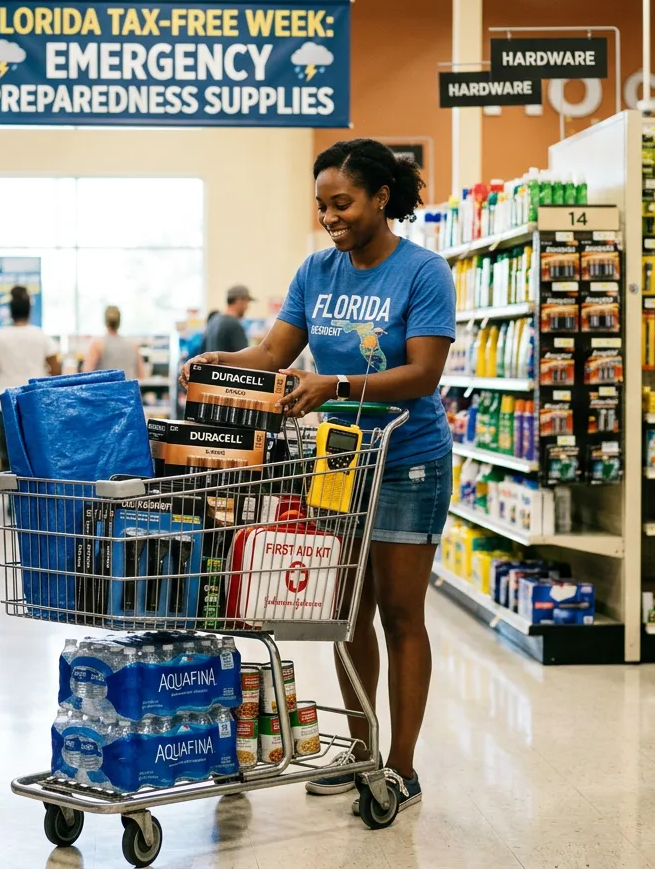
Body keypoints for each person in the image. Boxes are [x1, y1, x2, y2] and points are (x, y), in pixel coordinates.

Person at [181, 138, 454, 815]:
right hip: (336, 463)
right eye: (322, 205)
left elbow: (422, 374)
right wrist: (221, 362)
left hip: (407, 459)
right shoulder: (316, 271)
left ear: (380, 199)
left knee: (399, 614)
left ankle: (401, 767)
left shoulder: (423, 273)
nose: (331, 216)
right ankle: (360, 750)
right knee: (346, 613)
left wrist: (334, 382)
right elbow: (275, 350)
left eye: (344, 203)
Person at [0, 286, 60, 464]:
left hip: (4, 401)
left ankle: (10, 491)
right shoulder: (41, 336)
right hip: (35, 402)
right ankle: (35, 491)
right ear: (29, 310)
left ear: (10, 311)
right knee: (36, 455)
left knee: (10, 457)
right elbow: (56, 371)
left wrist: (1, 377)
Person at [83, 305, 145, 380]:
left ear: (105, 321)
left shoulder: (97, 344)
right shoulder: (133, 345)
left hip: (107, 391)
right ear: (119, 322)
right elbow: (142, 375)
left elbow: (86, 374)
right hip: (129, 391)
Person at [202, 285, 252, 353]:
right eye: (247, 302)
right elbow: (245, 357)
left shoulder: (214, 319)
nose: (247, 307)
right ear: (239, 300)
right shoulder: (233, 324)